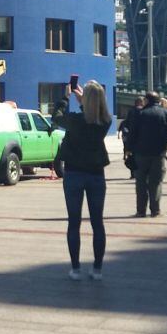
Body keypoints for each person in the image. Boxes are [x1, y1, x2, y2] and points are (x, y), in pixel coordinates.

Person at [58, 81, 111, 280]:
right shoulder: (105, 121)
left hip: (74, 175)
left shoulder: (75, 120)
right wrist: (83, 101)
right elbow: (93, 116)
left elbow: (56, 118)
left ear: (85, 99)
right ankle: (97, 269)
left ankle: (75, 268)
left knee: (74, 222)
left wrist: (66, 98)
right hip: (96, 175)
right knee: (98, 223)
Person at [130, 92, 167, 217]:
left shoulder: (140, 114)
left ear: (147, 101)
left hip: (141, 153)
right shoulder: (166, 112)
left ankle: (140, 211)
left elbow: (132, 133)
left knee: (141, 183)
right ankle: (155, 211)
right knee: (156, 182)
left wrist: (129, 149)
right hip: (159, 152)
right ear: (158, 101)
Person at [119, 96, 145, 179]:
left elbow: (127, 123)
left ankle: (133, 173)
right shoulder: (143, 111)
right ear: (141, 102)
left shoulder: (131, 111)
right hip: (141, 136)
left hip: (131, 136)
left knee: (131, 156)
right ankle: (141, 172)